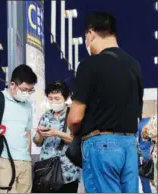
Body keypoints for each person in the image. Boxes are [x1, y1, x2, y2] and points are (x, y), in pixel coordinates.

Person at [67, 12, 143, 193]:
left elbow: (75, 118)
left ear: (91, 33)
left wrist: (73, 131)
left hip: (101, 145)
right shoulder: (134, 65)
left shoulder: (89, 65)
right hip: (130, 145)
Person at [0, 64, 37, 193]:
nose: (27, 93)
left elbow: (27, 134)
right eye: (24, 89)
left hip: (25, 162)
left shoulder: (28, 106)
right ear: (12, 84)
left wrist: (28, 159)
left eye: (30, 90)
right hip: (4, 160)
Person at [33, 80, 80, 193]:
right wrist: (40, 134)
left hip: (67, 173)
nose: (53, 101)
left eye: (57, 98)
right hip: (46, 172)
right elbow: (37, 142)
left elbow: (77, 140)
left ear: (66, 98)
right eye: (50, 98)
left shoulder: (72, 114)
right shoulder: (46, 116)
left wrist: (56, 133)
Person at [138, 117, 153, 193]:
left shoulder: (144, 122)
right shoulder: (148, 121)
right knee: (145, 182)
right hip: (145, 153)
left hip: (142, 154)